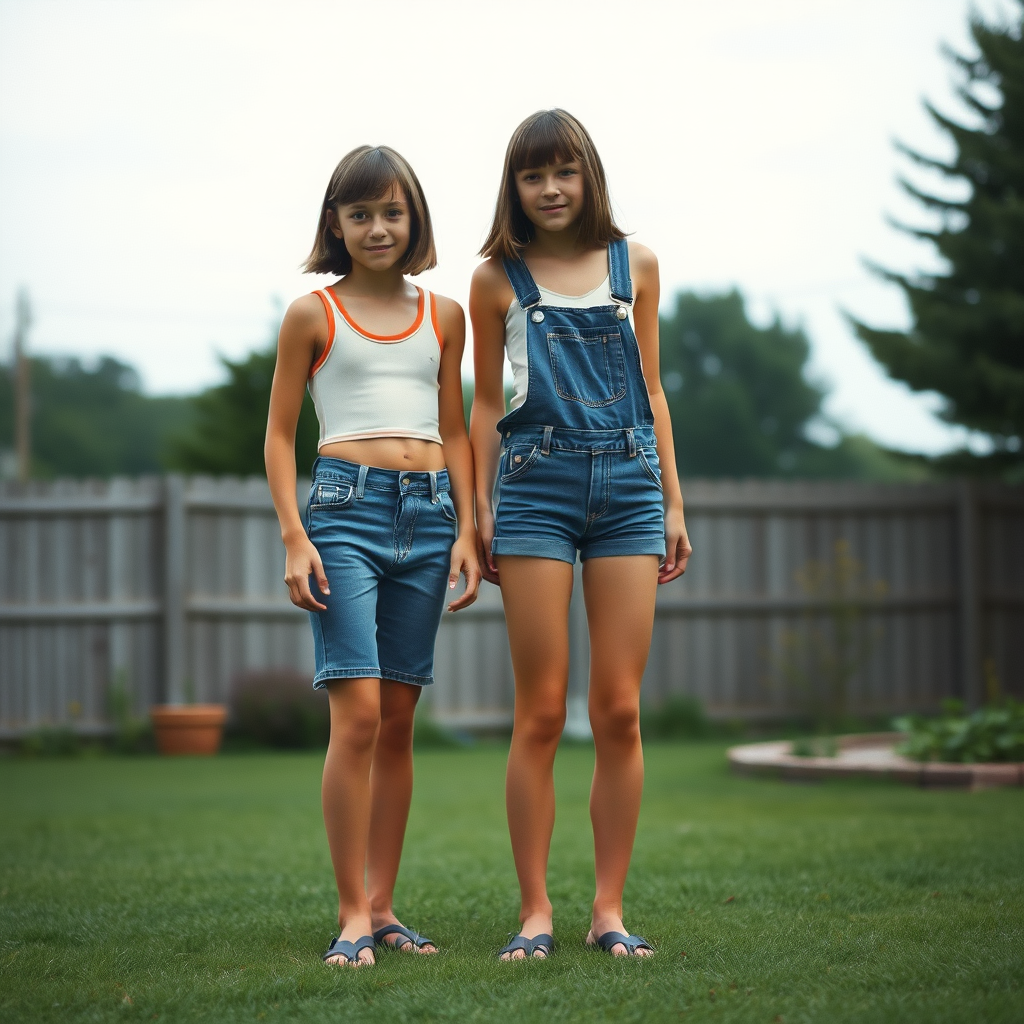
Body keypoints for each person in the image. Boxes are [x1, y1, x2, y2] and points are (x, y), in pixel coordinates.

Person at [469, 110, 691, 960]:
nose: (550, 188)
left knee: (621, 711)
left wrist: (673, 503)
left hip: (631, 490)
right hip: (534, 490)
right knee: (540, 714)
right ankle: (535, 913)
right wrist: (481, 506)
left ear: (588, 175)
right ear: (514, 188)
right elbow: (486, 405)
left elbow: (655, 389)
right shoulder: (497, 280)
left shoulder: (636, 266)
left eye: (564, 171)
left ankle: (608, 910)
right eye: (533, 176)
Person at [265, 145, 479, 967]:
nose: (378, 227)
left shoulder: (446, 315)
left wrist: (466, 527)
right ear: (336, 224)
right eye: (361, 214)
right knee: (353, 716)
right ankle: (351, 914)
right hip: (344, 519)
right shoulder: (312, 315)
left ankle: (386, 907)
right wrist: (295, 534)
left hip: (428, 520)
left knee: (397, 722)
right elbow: (281, 434)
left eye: (393, 212)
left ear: (414, 219)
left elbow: (455, 428)